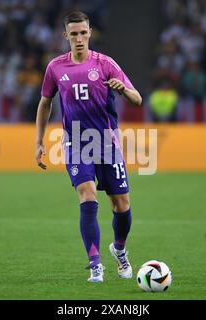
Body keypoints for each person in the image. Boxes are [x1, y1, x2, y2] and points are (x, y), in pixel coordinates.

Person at [35, 11, 142, 283]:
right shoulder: (56, 68)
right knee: (87, 195)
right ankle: (95, 264)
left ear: (90, 33)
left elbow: (137, 99)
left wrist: (122, 89)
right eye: (74, 34)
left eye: (83, 33)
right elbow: (45, 103)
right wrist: (39, 141)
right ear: (65, 36)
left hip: (107, 142)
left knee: (121, 205)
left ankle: (119, 250)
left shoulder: (106, 64)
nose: (79, 39)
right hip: (75, 142)